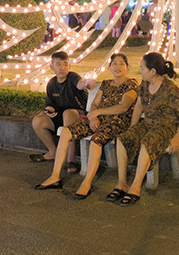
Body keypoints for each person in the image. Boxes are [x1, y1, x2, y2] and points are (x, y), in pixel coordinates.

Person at [35, 53, 138, 199]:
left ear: (127, 67)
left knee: (96, 139)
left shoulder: (131, 84)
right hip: (97, 120)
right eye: (114, 63)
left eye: (121, 63)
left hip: (118, 121)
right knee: (66, 132)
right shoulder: (106, 84)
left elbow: (123, 107)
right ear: (109, 67)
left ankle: (86, 183)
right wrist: (93, 116)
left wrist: (97, 113)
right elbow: (95, 103)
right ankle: (55, 176)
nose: (118, 67)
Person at [109, 52, 179, 206]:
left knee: (147, 141)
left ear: (153, 71)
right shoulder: (145, 84)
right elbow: (139, 106)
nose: (140, 71)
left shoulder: (169, 89)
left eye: (142, 68)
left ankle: (135, 187)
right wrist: (132, 128)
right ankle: (122, 183)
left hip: (165, 127)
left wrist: (177, 137)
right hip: (148, 124)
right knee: (122, 138)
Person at [29, 52, 89, 168]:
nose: (62, 68)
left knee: (68, 113)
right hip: (60, 116)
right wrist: (49, 110)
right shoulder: (52, 83)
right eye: (59, 65)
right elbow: (49, 104)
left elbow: (79, 84)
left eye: (65, 64)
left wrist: (86, 83)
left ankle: (71, 159)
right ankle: (53, 152)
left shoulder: (73, 77)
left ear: (69, 66)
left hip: (79, 116)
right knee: (38, 121)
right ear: (52, 67)